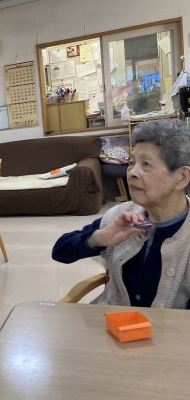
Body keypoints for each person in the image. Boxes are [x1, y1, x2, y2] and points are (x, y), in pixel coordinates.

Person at [52, 119, 190, 309]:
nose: (132, 172)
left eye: (146, 164)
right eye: (131, 163)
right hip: (109, 321)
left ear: (182, 177)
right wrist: (99, 238)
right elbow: (60, 252)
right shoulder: (123, 215)